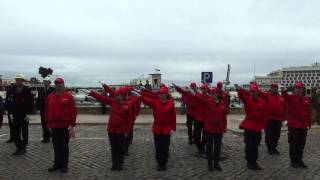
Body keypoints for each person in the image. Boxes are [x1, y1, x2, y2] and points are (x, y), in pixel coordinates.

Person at [89, 86, 134, 171]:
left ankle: (119, 164)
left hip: (121, 131)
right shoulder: (113, 102)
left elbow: (130, 120)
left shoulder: (128, 104)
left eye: (118, 95)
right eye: (116, 94)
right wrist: (93, 93)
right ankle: (114, 164)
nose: (116, 96)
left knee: (120, 149)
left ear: (122, 95)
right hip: (112, 130)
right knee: (114, 148)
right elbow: (102, 99)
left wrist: (127, 132)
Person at [139, 86, 176, 171]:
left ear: (166, 95)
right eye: (160, 94)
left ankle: (164, 162)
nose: (161, 95)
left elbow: (173, 117)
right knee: (158, 147)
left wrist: (173, 128)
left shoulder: (171, 104)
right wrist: (139, 95)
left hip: (166, 129)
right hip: (157, 128)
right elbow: (146, 100)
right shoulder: (155, 102)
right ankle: (160, 163)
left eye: (163, 94)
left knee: (165, 147)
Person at [46, 78, 77, 173]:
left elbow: (73, 111)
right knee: (56, 146)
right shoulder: (50, 97)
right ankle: (57, 164)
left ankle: (64, 165)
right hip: (54, 126)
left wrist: (72, 125)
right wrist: (48, 124)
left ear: (63, 85)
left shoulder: (68, 96)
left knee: (64, 146)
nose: (57, 85)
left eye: (59, 83)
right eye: (56, 83)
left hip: (65, 126)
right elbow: (46, 111)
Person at [236, 83, 267, 170]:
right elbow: (242, 96)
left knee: (256, 145)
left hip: (258, 126)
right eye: (251, 91)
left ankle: (254, 161)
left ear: (257, 91)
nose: (252, 93)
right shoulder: (248, 99)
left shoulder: (262, 101)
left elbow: (264, 115)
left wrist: (263, 127)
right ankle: (249, 162)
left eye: (254, 91)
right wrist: (239, 90)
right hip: (249, 126)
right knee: (249, 145)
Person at [195, 89, 227, 171]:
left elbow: (224, 117)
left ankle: (216, 163)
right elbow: (200, 99)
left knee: (217, 148)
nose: (213, 95)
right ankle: (210, 164)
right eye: (212, 93)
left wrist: (224, 127)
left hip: (219, 129)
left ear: (218, 94)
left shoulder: (222, 103)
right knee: (209, 147)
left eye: (214, 93)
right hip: (209, 129)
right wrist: (193, 92)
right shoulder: (208, 102)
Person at [281, 82, 311, 169]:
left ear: (302, 90)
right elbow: (285, 97)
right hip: (294, 125)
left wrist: (309, 123)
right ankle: (293, 161)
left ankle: (299, 160)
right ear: (294, 89)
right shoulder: (291, 97)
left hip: (303, 125)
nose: (298, 90)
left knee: (301, 144)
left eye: (300, 88)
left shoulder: (306, 98)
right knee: (294, 144)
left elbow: (308, 112)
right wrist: (283, 91)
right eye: (297, 88)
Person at [11, 74, 34, 155]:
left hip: (24, 114)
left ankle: (23, 147)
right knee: (16, 132)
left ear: (22, 81)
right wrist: (10, 112)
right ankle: (18, 147)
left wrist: (28, 113)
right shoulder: (12, 89)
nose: (17, 82)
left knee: (24, 132)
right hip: (15, 114)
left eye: (19, 80)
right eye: (17, 80)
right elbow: (10, 101)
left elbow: (31, 102)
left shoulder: (27, 89)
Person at [260, 83, 286, 155]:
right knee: (269, 135)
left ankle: (274, 148)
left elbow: (284, 107)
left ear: (277, 89)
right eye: (272, 87)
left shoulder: (281, 97)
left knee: (276, 135)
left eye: (275, 88)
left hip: (278, 119)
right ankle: (269, 148)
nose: (274, 89)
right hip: (269, 118)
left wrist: (284, 117)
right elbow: (259, 93)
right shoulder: (267, 95)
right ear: (270, 88)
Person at [37, 76, 55, 143]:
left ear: (49, 83)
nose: (45, 83)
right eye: (44, 81)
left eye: (47, 82)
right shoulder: (40, 90)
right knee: (44, 124)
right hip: (43, 109)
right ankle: (46, 137)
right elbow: (38, 99)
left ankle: (52, 135)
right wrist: (38, 108)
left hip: (51, 110)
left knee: (51, 123)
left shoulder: (53, 90)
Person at [193, 83, 210, 155]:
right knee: (196, 135)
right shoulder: (198, 95)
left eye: (204, 89)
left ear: (207, 90)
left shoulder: (209, 98)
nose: (203, 90)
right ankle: (200, 147)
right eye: (202, 89)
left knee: (205, 136)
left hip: (206, 119)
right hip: (198, 118)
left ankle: (201, 148)